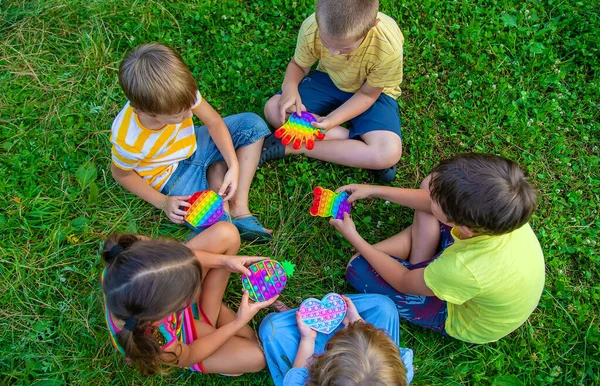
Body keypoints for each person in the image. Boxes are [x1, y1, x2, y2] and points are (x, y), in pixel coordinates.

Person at [330, 153, 545, 344]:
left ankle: (420, 266)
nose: (432, 197)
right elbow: (432, 196)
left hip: (456, 313)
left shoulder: (462, 268)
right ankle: (421, 263)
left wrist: (355, 237)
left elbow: (404, 281)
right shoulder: (501, 211)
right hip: (471, 268)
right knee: (429, 184)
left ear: (464, 227)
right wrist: (374, 190)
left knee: (357, 266)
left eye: (437, 202)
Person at [110, 43, 271, 242]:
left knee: (252, 125)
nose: (189, 114)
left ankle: (238, 202)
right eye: (179, 115)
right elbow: (121, 174)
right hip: (172, 177)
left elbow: (213, 121)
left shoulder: (180, 93)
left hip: (195, 145)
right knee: (219, 225)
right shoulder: (128, 141)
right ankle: (218, 179)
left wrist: (233, 163)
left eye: (189, 107)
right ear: (144, 113)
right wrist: (163, 202)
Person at [101, 222, 278, 376]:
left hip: (174, 311)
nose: (197, 288)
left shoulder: (126, 264)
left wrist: (225, 261)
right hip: (184, 337)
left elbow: (184, 257)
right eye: (190, 293)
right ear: (170, 310)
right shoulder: (158, 342)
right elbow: (191, 354)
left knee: (227, 234)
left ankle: (211, 312)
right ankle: (213, 313)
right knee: (257, 357)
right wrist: (238, 322)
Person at [261, 0, 404, 183]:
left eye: (345, 48)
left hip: (372, 93)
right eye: (325, 42)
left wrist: (331, 121)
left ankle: (296, 146)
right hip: (328, 78)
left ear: (371, 27)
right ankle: (358, 148)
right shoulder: (312, 26)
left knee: (389, 153)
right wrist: (289, 90)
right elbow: (298, 65)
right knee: (274, 109)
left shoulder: (387, 46)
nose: (334, 52)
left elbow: (368, 94)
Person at [259, 294, 414, 385]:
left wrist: (307, 339)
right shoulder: (398, 373)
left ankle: (302, 320)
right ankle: (354, 328)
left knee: (271, 329)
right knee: (384, 307)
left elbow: (298, 374)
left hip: (305, 357)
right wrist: (359, 324)